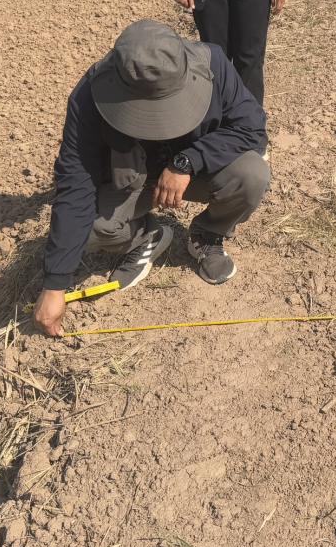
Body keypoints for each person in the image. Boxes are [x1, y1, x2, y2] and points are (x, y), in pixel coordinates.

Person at [34, 20, 271, 338]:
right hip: (132, 176)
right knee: (92, 229)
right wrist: (55, 283)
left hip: (193, 171)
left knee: (252, 174)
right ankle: (146, 236)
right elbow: (76, 182)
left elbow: (251, 127)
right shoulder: (90, 94)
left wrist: (188, 162)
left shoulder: (213, 64)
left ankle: (207, 236)